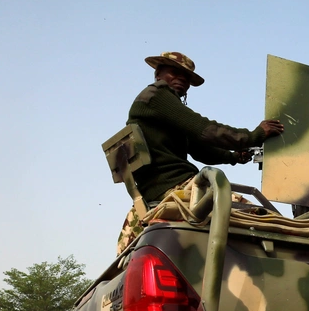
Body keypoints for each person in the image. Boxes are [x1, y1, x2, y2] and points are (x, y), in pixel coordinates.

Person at [116, 51, 284, 254]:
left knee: (126, 255)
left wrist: (232, 156)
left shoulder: (162, 109)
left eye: (186, 77)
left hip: (150, 196)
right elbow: (205, 130)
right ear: (158, 73)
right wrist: (255, 135)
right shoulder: (157, 95)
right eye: (174, 72)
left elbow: (198, 148)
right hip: (177, 186)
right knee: (265, 218)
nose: (181, 79)